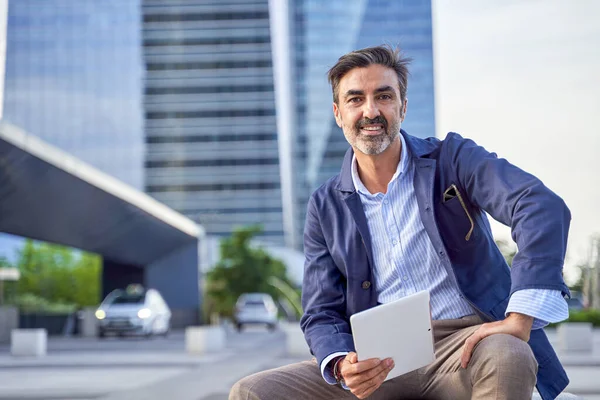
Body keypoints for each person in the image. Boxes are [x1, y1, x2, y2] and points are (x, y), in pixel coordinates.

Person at [230, 45, 571, 400]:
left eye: (384, 96)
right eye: (355, 99)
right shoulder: (325, 204)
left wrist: (519, 317)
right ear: (338, 113)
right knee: (252, 391)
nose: (370, 111)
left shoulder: (452, 159)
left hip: (466, 346)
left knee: (509, 354)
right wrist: (340, 363)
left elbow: (538, 205)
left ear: (403, 107)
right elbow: (320, 311)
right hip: (380, 361)